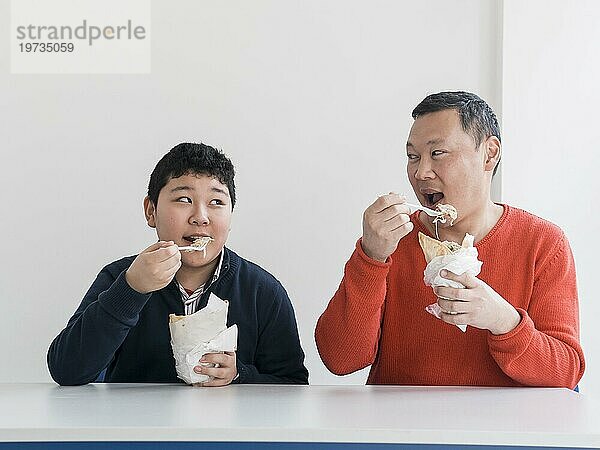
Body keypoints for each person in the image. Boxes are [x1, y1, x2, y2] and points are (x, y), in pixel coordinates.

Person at [315, 91, 584, 388]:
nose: (421, 172)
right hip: (401, 429)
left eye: (437, 153)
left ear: (489, 154)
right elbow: (340, 360)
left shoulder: (543, 242)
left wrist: (502, 321)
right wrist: (371, 256)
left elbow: (566, 372)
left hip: (501, 432)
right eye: (412, 157)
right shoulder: (392, 241)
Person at [48, 143, 308, 386]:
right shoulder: (121, 277)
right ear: (151, 211)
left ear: (230, 218)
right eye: (184, 199)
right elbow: (66, 370)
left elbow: (293, 384)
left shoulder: (262, 292)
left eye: (216, 202)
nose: (200, 217)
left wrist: (240, 374)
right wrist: (131, 289)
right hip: (137, 430)